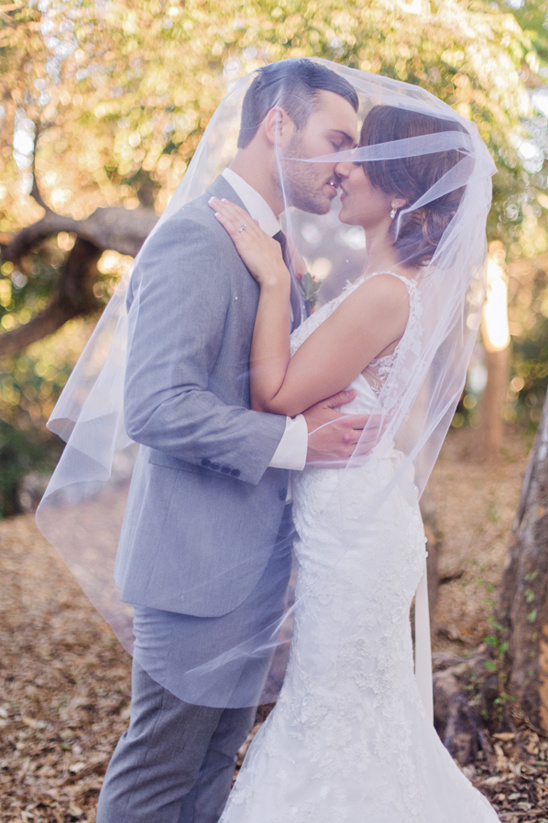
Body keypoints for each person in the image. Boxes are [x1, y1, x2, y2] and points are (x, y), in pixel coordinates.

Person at [37, 60, 370, 823]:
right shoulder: (194, 236)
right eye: (338, 138)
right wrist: (296, 442)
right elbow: (155, 406)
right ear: (278, 126)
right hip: (193, 576)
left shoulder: (282, 252)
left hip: (254, 574)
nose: (349, 163)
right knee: (158, 776)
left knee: (213, 773)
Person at [208, 103, 501, 821]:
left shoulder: (382, 294)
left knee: (336, 718)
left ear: (399, 190)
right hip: (361, 521)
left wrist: (275, 284)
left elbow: (273, 390)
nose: (342, 169)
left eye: (359, 155)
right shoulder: (403, 287)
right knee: (355, 714)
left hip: (354, 535)